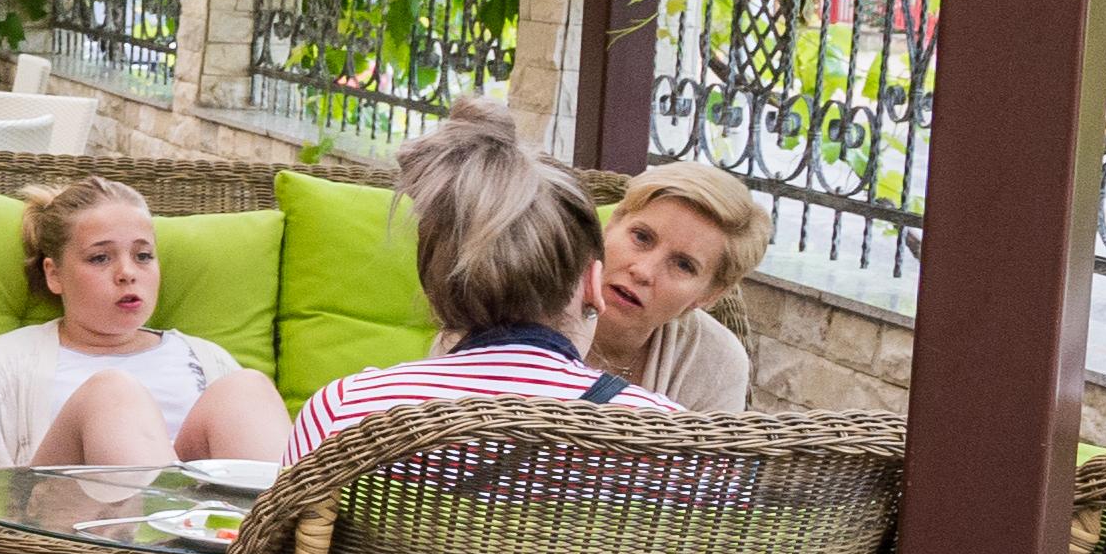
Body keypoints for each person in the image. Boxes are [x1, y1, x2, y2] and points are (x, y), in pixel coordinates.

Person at [0, 175, 288, 554]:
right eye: (100, 257)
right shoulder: (4, 362)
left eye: (143, 255)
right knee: (112, 394)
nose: (127, 271)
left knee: (245, 389)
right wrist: (46, 493)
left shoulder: (206, 361)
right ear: (54, 274)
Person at [283, 103, 663, 459]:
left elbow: (280, 530)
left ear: (434, 285)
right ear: (592, 283)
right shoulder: (669, 439)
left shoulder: (348, 413)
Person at [580, 158, 767, 412]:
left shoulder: (717, 362)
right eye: (642, 237)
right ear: (611, 225)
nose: (643, 272)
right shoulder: (525, 298)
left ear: (709, 296)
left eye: (683, 265)